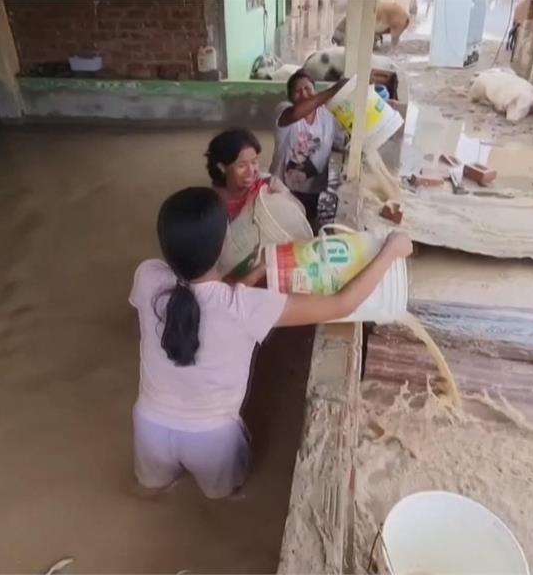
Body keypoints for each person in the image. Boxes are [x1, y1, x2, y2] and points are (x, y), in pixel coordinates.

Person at [130, 187, 412, 499]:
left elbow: (198, 298)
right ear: (223, 243)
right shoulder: (248, 307)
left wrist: (259, 271)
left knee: (152, 497)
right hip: (212, 440)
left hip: (150, 427)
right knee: (225, 500)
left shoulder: (147, 278)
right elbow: (341, 304)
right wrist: (391, 252)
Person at [270, 70, 348, 225]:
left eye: (308, 89)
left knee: (307, 222)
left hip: (313, 187)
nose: (304, 94)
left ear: (315, 90)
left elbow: (336, 143)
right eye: (297, 91)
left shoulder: (328, 115)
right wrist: (334, 90)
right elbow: (296, 113)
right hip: (283, 186)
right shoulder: (285, 111)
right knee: (284, 224)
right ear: (290, 97)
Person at [205, 128, 286, 221]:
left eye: (254, 162)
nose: (251, 171)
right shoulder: (213, 203)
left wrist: (281, 195)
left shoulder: (266, 188)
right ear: (222, 167)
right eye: (241, 165)